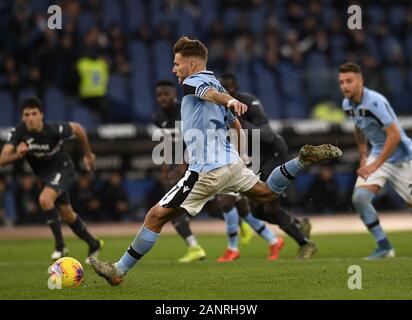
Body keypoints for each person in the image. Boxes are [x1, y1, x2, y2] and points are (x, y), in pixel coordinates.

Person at [90, 36, 342, 286]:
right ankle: (301, 159)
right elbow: (234, 123)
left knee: (155, 216)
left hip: (206, 171)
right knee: (265, 193)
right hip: (231, 164)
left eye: (176, 64)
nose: (173, 69)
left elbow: (208, 95)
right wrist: (242, 154)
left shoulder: (196, 82)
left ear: (190, 65)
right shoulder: (217, 82)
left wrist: (229, 100)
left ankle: (118, 270)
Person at [216, 73, 316, 261]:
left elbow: (268, 135)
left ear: (236, 89)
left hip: (273, 154)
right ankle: (297, 222)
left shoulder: (248, 103)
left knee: (268, 206)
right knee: (257, 211)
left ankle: (306, 244)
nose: (226, 93)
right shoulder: (218, 109)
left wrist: (241, 124)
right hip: (254, 159)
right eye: (222, 89)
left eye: (229, 88)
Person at [0, 97, 103, 263]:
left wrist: (88, 154)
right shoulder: (19, 132)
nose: (31, 118)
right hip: (46, 177)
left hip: (63, 168)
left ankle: (60, 246)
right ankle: (94, 243)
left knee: (45, 200)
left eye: (34, 113)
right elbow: (3, 159)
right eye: (27, 114)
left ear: (41, 114)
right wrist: (17, 154)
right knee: (68, 215)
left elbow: (78, 129)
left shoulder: (53, 129)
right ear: (22, 117)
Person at [339, 62, 412, 260]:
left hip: (403, 158)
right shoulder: (347, 104)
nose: (344, 86)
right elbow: (359, 126)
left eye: (349, 81)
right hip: (378, 157)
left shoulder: (374, 102)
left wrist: (374, 164)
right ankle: (384, 246)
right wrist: (363, 156)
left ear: (360, 81)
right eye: (341, 82)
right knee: (360, 199)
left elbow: (395, 135)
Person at [152, 79, 207, 263]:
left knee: (170, 206)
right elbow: (169, 142)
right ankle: (194, 247)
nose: (162, 98)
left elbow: (194, 138)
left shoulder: (185, 112)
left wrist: (184, 164)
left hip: (200, 157)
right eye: (159, 95)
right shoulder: (158, 118)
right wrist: (165, 165)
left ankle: (241, 219)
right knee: (170, 205)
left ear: (174, 94)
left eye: (166, 94)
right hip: (180, 160)